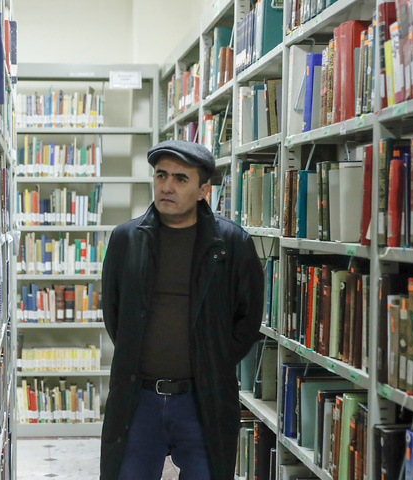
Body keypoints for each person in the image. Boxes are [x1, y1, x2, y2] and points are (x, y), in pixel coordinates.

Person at [99, 139, 264, 480]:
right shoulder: (126, 239)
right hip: (137, 398)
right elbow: (115, 314)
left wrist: (211, 362)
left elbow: (247, 322)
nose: (167, 186)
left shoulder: (232, 244)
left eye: (180, 178)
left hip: (202, 400)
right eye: (161, 176)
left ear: (204, 189)